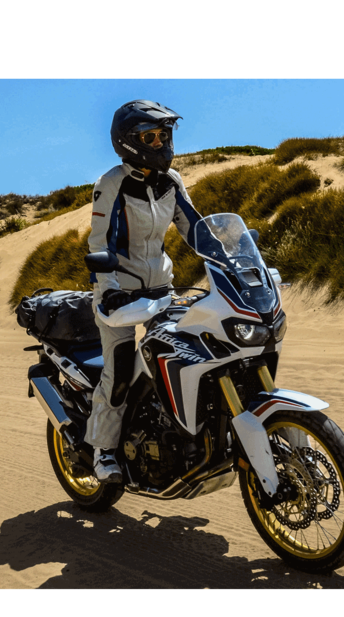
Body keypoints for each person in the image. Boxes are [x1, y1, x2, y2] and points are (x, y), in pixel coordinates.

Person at [85, 100, 202, 483]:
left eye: (163, 135)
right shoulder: (112, 183)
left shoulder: (172, 181)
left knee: (183, 358)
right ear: (128, 142)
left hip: (162, 290)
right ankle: (102, 451)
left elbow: (195, 229)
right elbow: (98, 243)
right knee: (118, 372)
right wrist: (109, 289)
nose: (159, 142)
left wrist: (234, 257)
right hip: (119, 295)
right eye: (150, 136)